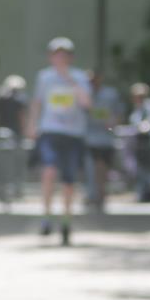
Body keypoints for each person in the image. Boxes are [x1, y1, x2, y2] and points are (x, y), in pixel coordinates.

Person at [26, 37, 92, 245]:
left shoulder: (80, 77)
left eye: (64, 54)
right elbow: (37, 102)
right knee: (49, 171)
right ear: (51, 57)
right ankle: (46, 216)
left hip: (73, 134)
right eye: (57, 54)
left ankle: (66, 220)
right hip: (50, 132)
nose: (60, 58)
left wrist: (69, 80)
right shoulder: (44, 77)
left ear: (70, 57)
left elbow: (87, 103)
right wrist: (32, 124)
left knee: (68, 182)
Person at [84, 70, 123, 211]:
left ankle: (101, 195)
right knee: (91, 168)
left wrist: (112, 124)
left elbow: (118, 113)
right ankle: (92, 195)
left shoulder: (110, 94)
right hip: (88, 139)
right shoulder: (84, 94)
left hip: (106, 140)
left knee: (103, 169)